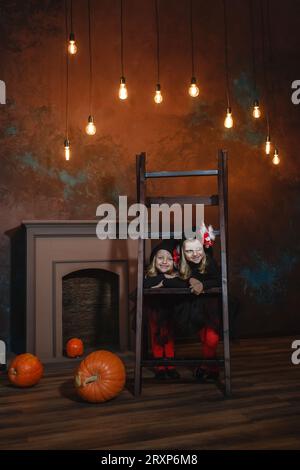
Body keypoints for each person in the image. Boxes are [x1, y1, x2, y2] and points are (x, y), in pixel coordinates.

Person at [176, 223, 221, 381]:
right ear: (182, 251)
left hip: (211, 305)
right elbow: (180, 280)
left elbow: (218, 280)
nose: (195, 254)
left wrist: (203, 285)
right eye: (189, 251)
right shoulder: (183, 265)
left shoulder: (209, 261)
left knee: (211, 337)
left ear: (203, 248)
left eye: (198, 250)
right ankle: (211, 366)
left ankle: (207, 365)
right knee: (203, 336)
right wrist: (191, 281)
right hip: (195, 306)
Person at [144, 240, 182, 380]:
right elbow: (147, 284)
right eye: (160, 258)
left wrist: (164, 282)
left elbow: (180, 284)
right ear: (154, 260)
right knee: (156, 337)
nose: (164, 262)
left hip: (170, 311)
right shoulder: (150, 275)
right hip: (154, 311)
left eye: (169, 259)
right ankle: (160, 367)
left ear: (175, 262)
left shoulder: (176, 275)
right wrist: (163, 279)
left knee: (169, 338)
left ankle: (170, 366)